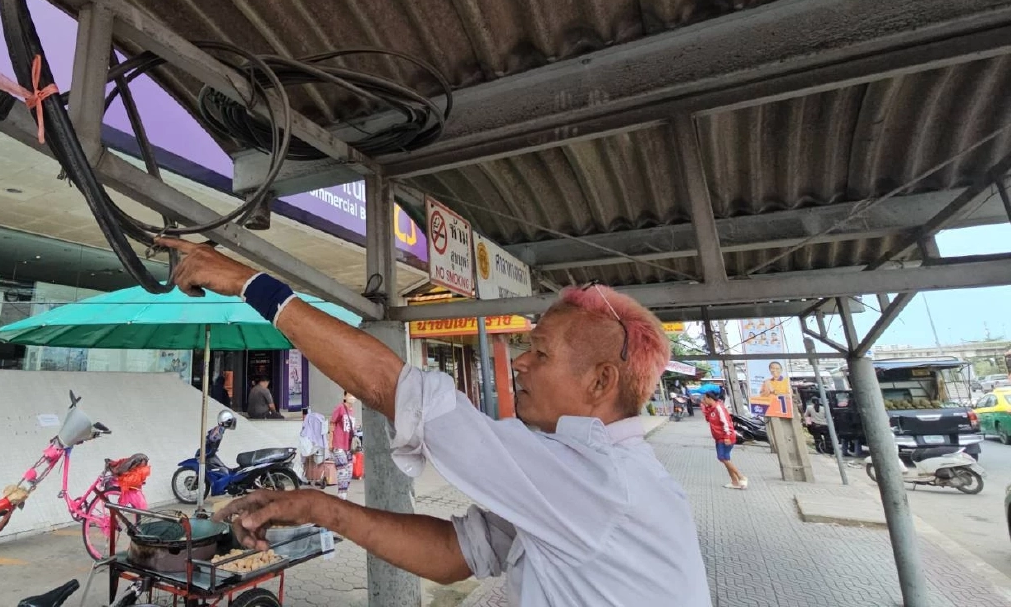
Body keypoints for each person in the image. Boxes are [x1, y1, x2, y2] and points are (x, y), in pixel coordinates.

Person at [156, 238, 709, 606]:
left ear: (601, 382)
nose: (518, 362)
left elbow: (396, 390)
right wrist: (318, 507)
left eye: (539, 352)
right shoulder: (579, 477)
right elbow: (456, 554)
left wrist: (249, 283)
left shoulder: (602, 482)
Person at [701, 393, 747, 490]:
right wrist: (704, 408)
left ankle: (741, 477)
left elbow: (726, 422)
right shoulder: (712, 409)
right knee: (725, 459)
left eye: (705, 399)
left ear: (710, 398)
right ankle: (734, 481)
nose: (704, 401)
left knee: (723, 458)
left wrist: (727, 436)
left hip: (726, 437)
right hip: (719, 437)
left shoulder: (719, 408)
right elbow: (708, 419)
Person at [329, 391, 357, 500]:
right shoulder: (340, 408)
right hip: (338, 443)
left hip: (348, 446)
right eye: (349, 394)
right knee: (343, 470)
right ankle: (341, 495)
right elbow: (332, 424)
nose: (352, 397)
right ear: (344, 396)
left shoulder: (352, 411)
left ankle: (343, 493)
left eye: (353, 395)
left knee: (349, 471)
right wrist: (330, 442)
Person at [299, 409, 333, 487]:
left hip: (312, 445)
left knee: (309, 460)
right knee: (317, 460)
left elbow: (304, 434)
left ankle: (310, 477)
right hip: (319, 445)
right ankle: (315, 477)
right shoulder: (319, 422)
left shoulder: (308, 422)